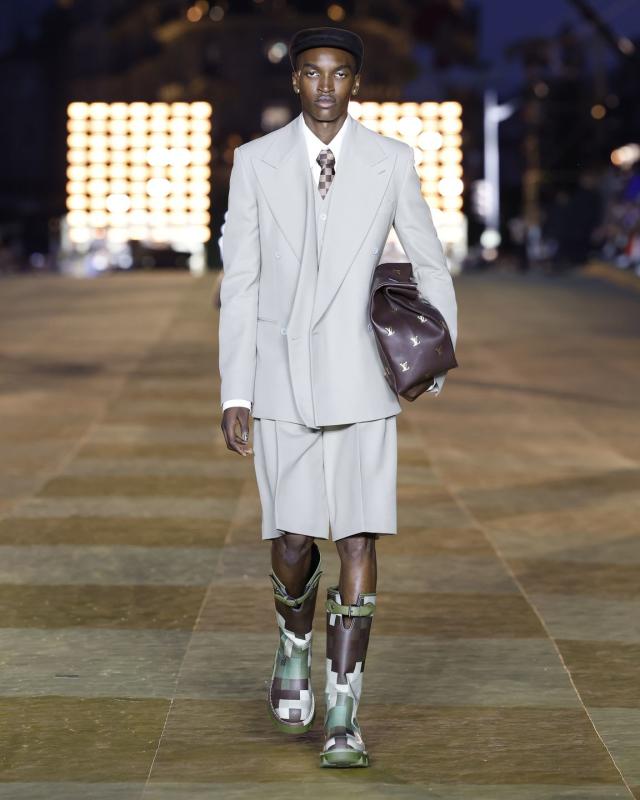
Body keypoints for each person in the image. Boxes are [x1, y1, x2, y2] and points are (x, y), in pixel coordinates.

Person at [218, 26, 457, 768]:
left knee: (357, 538)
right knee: (292, 544)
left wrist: (436, 354)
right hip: (281, 382)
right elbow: (242, 281)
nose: (326, 85)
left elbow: (428, 258)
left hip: (362, 383)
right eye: (313, 73)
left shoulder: (391, 161)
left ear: (356, 83)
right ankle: (293, 640)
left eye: (340, 73)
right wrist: (235, 389)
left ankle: (345, 712)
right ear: (296, 81)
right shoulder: (255, 163)